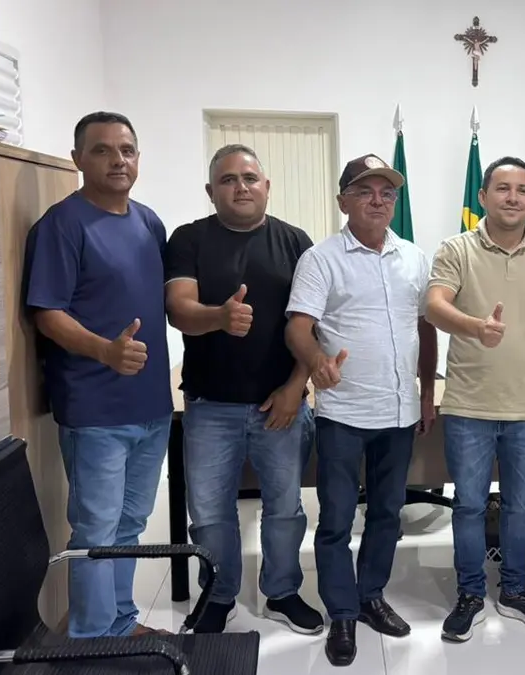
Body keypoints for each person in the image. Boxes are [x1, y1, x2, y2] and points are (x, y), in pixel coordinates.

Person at [23, 111, 173, 638]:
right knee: (96, 529)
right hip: (95, 410)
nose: (117, 160)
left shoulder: (149, 223)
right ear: (77, 159)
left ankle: (119, 623)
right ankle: (90, 638)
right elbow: (47, 313)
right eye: (102, 150)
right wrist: (104, 352)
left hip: (151, 406)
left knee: (130, 524)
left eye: (127, 150)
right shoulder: (61, 225)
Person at [285, 154, 438, 667]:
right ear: (342, 201)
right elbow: (297, 327)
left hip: (398, 413)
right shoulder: (321, 259)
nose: (378, 200)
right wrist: (317, 363)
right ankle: (343, 612)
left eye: (387, 192)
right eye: (365, 191)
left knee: (388, 514)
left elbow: (425, 327)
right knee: (334, 519)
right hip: (343, 413)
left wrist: (427, 392)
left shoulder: (414, 258)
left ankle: (371, 596)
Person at [163, 144, 322, 634]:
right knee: (210, 513)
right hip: (210, 405)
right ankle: (218, 595)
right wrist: (219, 317)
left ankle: (282, 592)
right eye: (228, 180)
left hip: (281, 404)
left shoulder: (296, 242)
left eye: (250, 178)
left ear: (266, 187)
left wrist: (296, 386)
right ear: (210, 191)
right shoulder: (188, 239)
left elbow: (312, 326)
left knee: (285, 509)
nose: (241, 187)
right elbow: (178, 308)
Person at [426, 156, 525, 643]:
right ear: (483, 196)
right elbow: (434, 305)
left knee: (520, 505)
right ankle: (470, 594)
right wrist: (475, 327)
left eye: (522, 190)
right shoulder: (456, 248)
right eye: (502, 188)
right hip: (468, 406)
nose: (512, 197)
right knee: (469, 506)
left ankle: (515, 590)